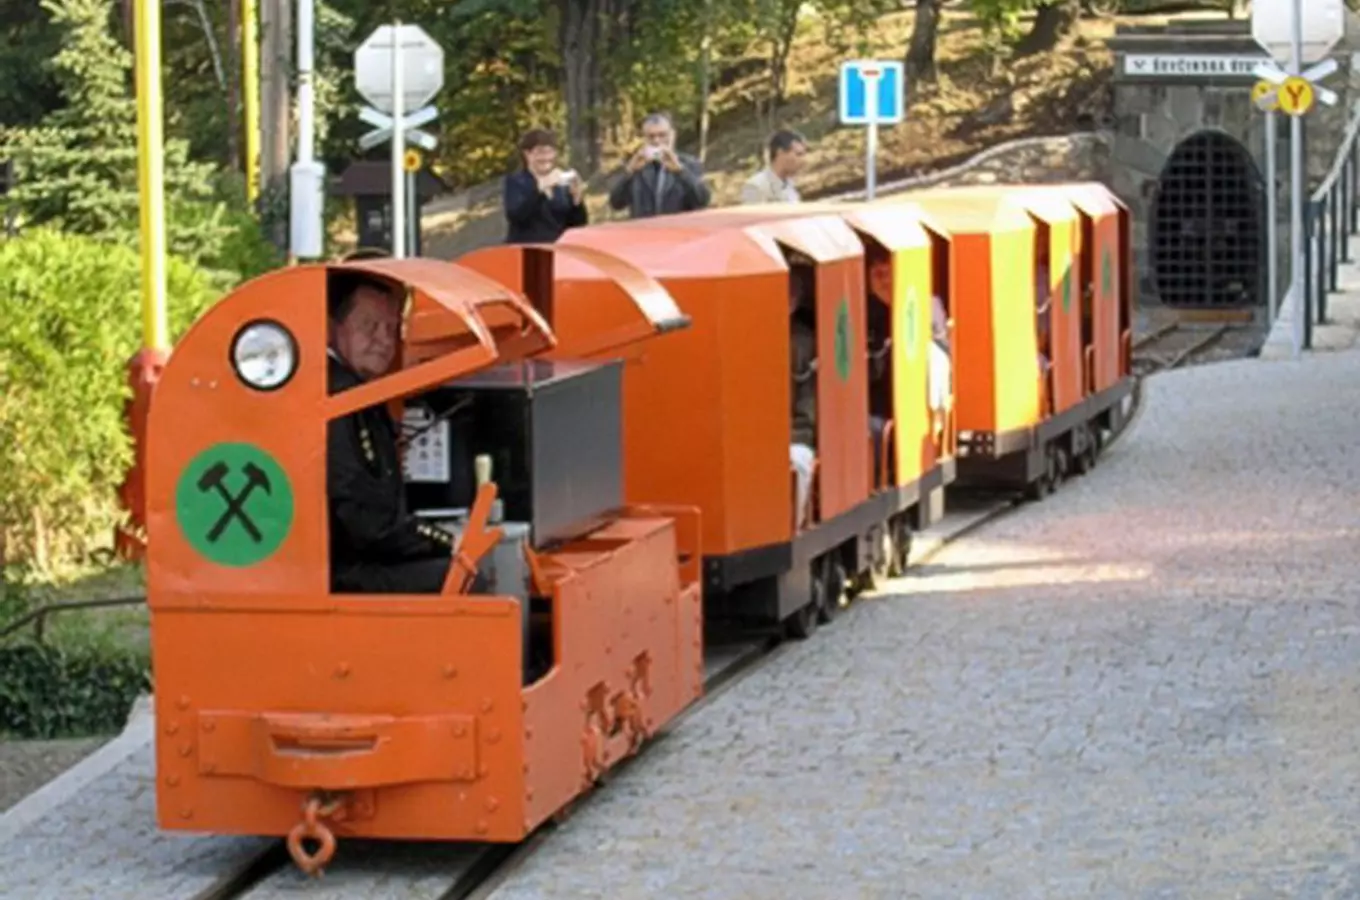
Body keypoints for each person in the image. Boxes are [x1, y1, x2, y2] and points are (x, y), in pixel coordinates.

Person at [326, 271, 461, 594]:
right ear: (333, 328)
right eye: (369, 326)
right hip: (343, 570)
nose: (384, 340)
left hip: (359, 557)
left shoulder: (359, 391)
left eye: (391, 328)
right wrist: (446, 541)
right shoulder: (340, 399)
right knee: (466, 576)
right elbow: (363, 522)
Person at [608, 112, 711, 219]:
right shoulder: (635, 165)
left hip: (678, 231)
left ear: (672, 136)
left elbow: (702, 201)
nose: (657, 141)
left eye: (662, 135)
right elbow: (616, 203)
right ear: (644, 139)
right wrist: (629, 173)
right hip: (644, 232)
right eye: (651, 137)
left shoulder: (689, 163)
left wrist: (680, 172)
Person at [503, 129, 587, 244]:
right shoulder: (516, 181)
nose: (546, 158)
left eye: (550, 152)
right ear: (527, 154)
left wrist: (577, 200)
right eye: (540, 152)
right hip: (527, 251)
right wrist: (541, 188)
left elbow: (577, 225)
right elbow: (516, 215)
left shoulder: (561, 182)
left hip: (558, 251)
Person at [789, 268, 818, 530]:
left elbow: (807, 408)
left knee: (796, 459)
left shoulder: (803, 343)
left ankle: (793, 526)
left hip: (794, 434)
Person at [741, 129, 808, 205]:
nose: (803, 160)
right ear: (780, 153)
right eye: (798, 154)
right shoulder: (755, 186)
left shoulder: (790, 185)